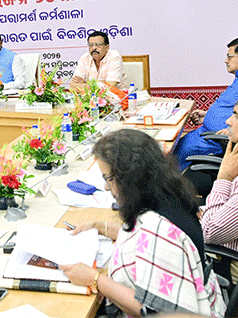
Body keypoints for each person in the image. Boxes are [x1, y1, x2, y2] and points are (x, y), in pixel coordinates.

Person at [59, 129, 225, 317]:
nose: (106, 187)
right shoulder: (168, 195)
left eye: (109, 179)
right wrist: (100, 227)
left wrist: (95, 279)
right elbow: (141, 239)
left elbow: (153, 310)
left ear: (130, 179)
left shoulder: (156, 230)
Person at [173, 38, 238, 170]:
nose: (226, 61)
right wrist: (207, 115)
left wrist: (231, 131)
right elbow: (230, 109)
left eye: (229, 56)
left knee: (169, 159)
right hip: (202, 135)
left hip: (213, 141)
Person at [201, 101, 238, 284]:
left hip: (226, 266)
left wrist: (224, 177)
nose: (228, 121)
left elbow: (210, 231)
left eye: (236, 116)